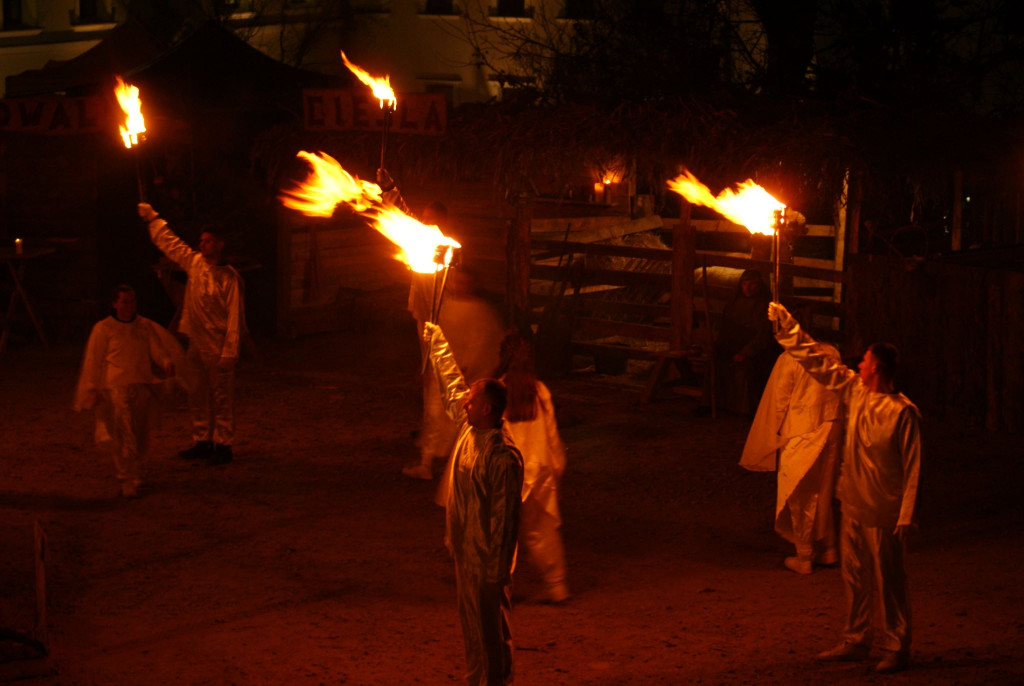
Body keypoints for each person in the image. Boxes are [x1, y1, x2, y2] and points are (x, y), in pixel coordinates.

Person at [767, 302, 921, 674]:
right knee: (853, 575)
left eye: (865, 362)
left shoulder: (903, 413)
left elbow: (914, 468)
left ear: (878, 368)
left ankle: (897, 646)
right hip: (852, 503)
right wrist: (786, 327)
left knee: (888, 580)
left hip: (883, 510)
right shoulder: (855, 393)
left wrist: (906, 514)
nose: (858, 367)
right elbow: (817, 362)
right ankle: (856, 639)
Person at [423, 321, 523, 686]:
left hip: (487, 564)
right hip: (465, 553)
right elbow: (451, 387)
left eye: (472, 399)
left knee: (492, 634)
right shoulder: (470, 429)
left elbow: (505, 519)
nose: (464, 400)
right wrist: (437, 342)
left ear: (487, 410)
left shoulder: (502, 457)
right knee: (471, 629)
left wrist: (496, 572)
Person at [138, 203, 245, 465]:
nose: (202, 244)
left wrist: (230, 352)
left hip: (218, 346)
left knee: (221, 396)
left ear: (220, 244)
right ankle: (202, 439)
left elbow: (235, 318)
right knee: (196, 391)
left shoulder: (229, 278)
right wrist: (153, 219)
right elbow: (171, 245)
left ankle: (223, 443)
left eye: (208, 241)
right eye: (201, 240)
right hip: (197, 342)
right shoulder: (195, 264)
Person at [73, 285, 190, 497]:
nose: (129, 306)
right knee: (123, 433)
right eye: (125, 301)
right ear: (115, 304)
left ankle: (136, 471)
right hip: (116, 388)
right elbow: (94, 359)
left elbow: (157, 350)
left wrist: (166, 362)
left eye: (132, 301)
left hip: (141, 385)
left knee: (139, 433)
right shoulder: (104, 329)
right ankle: (125, 477)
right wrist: (92, 387)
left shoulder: (143, 326)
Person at [740, 345, 842, 574]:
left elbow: (779, 398)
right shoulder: (832, 353)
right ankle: (828, 549)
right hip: (832, 424)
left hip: (802, 429)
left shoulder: (790, 358)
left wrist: (769, 436)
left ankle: (804, 555)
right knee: (823, 489)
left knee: (800, 492)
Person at [498, 329, 570, 603]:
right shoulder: (540, 391)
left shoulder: (497, 391)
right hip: (539, 471)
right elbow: (552, 436)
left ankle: (497, 587)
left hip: (509, 474)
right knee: (542, 530)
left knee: (500, 534)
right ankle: (557, 585)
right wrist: (556, 467)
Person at [702, 269, 779, 415]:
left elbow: (764, 335)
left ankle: (742, 409)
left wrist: (745, 352)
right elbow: (725, 326)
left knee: (745, 368)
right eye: (745, 284)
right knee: (714, 361)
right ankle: (710, 403)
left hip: (754, 348)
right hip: (732, 344)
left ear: (759, 286)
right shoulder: (734, 302)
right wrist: (717, 344)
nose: (748, 288)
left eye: (752, 284)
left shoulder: (765, 305)